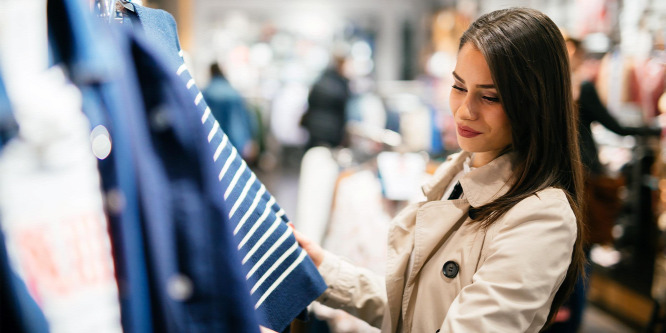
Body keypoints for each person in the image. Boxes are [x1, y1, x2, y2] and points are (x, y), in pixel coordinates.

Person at [291, 8, 586, 332]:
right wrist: (323, 268)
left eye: (489, 97)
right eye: (459, 87)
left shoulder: (540, 218)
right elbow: (413, 311)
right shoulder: (454, 177)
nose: (464, 111)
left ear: (534, 102)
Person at [202, 63, 258, 162]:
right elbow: (243, 119)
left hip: (214, 143)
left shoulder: (206, 92)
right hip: (234, 142)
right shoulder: (233, 92)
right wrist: (248, 140)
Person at [300, 54, 351, 149]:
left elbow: (310, 101)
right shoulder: (341, 85)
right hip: (331, 131)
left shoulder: (321, 80)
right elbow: (342, 111)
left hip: (314, 127)